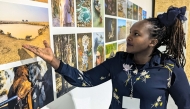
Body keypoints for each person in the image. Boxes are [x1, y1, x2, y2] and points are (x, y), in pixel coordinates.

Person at [22, 6, 190, 109]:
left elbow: (186, 105)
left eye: (136, 34)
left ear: (152, 41)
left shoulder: (169, 69)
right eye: (130, 32)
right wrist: (54, 61)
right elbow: (85, 79)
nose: (128, 37)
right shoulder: (118, 62)